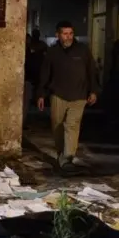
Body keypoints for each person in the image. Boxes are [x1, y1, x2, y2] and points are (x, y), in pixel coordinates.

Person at [36, 20, 99, 172]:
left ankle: (68, 157)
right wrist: (41, 95)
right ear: (58, 35)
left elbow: (92, 71)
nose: (68, 37)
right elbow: (45, 74)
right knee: (57, 126)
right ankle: (61, 156)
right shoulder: (52, 53)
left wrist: (94, 91)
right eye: (65, 34)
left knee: (72, 125)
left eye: (71, 33)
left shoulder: (83, 51)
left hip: (79, 95)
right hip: (58, 95)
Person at [24, 29, 48, 128]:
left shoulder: (41, 45)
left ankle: (36, 100)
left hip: (37, 71)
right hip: (30, 73)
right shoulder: (29, 47)